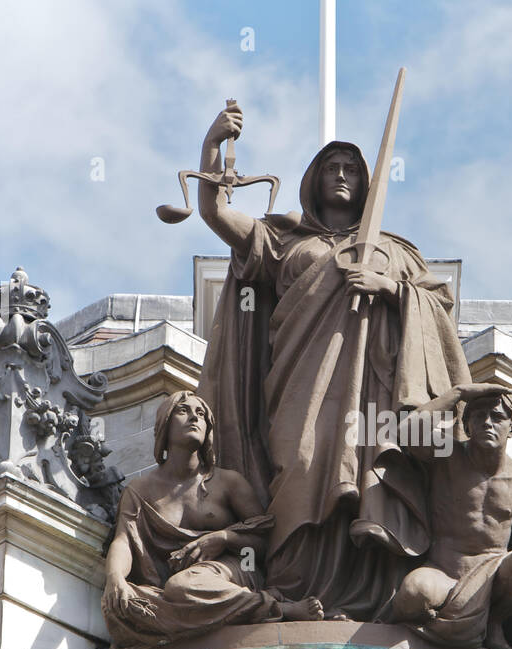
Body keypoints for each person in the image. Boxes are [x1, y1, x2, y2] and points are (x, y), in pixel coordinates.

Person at [195, 102, 471, 620]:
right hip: (300, 387)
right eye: (331, 167)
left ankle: (372, 596)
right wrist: (212, 148)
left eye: (350, 169)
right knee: (300, 467)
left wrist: (391, 289)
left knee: (369, 479)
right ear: (312, 180)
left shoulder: (397, 251)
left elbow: (438, 310)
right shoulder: (285, 242)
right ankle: (296, 594)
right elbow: (216, 214)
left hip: (375, 389)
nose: (340, 176)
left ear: (366, 183)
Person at [93, 390, 323, 649]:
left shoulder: (228, 483)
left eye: (201, 414)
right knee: (122, 605)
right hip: (172, 580)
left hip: (234, 568)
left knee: (183, 588)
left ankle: (278, 609)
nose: (194, 418)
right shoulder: (140, 491)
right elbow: (124, 540)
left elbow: (264, 542)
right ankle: (195, 619)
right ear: (165, 424)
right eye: (184, 411)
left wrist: (223, 539)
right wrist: (115, 580)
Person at [390, 384, 512, 649]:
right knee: (412, 595)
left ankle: (493, 620)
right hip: (445, 572)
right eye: (478, 416)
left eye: (497, 417)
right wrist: (459, 393)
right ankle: (473, 627)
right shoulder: (447, 457)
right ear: (466, 425)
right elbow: (405, 432)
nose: (487, 423)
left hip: (495, 576)